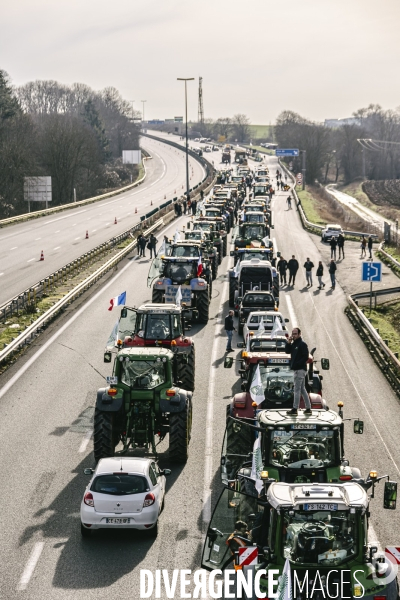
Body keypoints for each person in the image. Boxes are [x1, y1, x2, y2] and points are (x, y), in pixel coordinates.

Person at [285, 327, 312, 415]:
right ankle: (308, 408)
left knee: (296, 389)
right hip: (298, 369)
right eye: (293, 334)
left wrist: (297, 364)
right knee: (302, 389)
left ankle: (294, 409)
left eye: (295, 334)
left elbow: (306, 356)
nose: (294, 335)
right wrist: (288, 343)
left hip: (300, 370)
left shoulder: (302, 344)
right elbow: (287, 351)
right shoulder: (294, 344)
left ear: (300, 334)